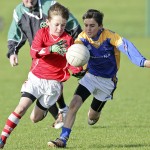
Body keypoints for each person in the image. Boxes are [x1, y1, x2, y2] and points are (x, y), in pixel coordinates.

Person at [47, 9, 150, 148]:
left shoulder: (110, 36)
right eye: (86, 25)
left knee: (92, 117)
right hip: (90, 77)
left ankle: (94, 115)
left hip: (107, 82)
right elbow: (74, 55)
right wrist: (77, 69)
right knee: (74, 104)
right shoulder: (82, 38)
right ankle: (62, 139)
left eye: (92, 25)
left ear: (100, 26)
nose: (88, 29)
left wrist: (143, 62)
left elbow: (128, 48)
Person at [0, 3, 83, 149]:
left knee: (34, 118)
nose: (59, 29)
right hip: (35, 79)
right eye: (56, 25)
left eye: (63, 25)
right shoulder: (42, 33)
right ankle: (2, 140)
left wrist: (78, 70)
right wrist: (50, 49)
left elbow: (71, 62)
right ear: (48, 22)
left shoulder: (68, 40)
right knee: (21, 108)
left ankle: (46, 110)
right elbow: (34, 52)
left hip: (53, 85)